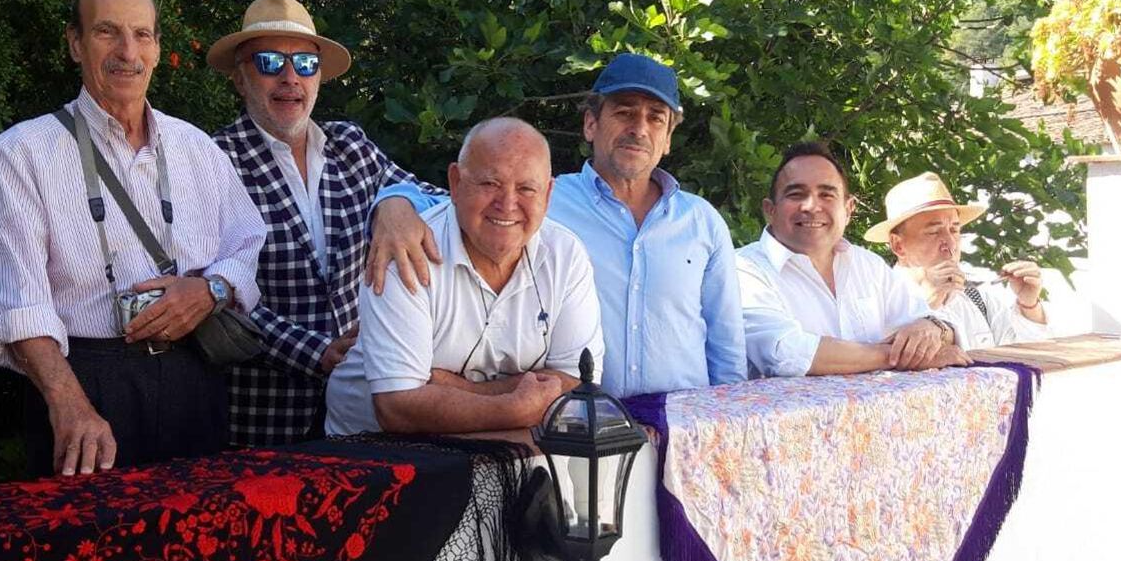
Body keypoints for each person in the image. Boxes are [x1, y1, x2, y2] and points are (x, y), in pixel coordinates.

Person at [0, 0, 266, 477]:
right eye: (107, 32)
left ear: (156, 48)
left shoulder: (196, 148)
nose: (127, 52)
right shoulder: (21, 153)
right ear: (75, 43)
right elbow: (18, 305)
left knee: (197, 523)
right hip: (86, 383)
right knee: (88, 528)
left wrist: (211, 290)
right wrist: (68, 404)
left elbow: (246, 244)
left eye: (142, 34)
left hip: (194, 378)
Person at [367, 53, 744, 397]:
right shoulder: (539, 202)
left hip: (685, 425)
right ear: (591, 124)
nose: (639, 129)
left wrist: (733, 419)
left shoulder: (702, 222)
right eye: (624, 112)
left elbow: (726, 344)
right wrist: (394, 203)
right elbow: (459, 202)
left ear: (668, 139)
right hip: (580, 427)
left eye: (656, 118)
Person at [207, 0, 445, 444]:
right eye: (270, 62)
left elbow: (444, 204)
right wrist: (316, 352)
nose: (290, 77)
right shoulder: (213, 159)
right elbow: (211, 290)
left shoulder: (350, 145)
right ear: (240, 78)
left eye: (305, 64)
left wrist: (397, 200)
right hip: (262, 417)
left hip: (360, 410)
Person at [324, 118, 602, 435]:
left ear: (548, 194)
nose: (507, 204)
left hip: (510, 445)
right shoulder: (405, 251)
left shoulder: (565, 255)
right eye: (490, 184)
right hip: (370, 450)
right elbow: (396, 408)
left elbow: (579, 382)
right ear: (455, 183)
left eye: (526, 188)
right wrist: (516, 407)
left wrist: (461, 390)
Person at [737, 142, 969, 377]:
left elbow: (935, 323)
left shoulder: (869, 265)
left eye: (826, 194)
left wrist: (931, 328)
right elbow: (785, 352)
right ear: (770, 210)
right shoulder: (743, 269)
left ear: (848, 210)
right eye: (796, 194)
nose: (811, 206)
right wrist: (900, 357)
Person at [866, 172, 1051, 349]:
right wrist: (928, 302)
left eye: (954, 230)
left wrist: (1029, 305)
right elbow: (881, 359)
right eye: (934, 232)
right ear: (898, 245)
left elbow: (1029, 358)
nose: (950, 242)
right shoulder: (875, 303)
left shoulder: (977, 301)